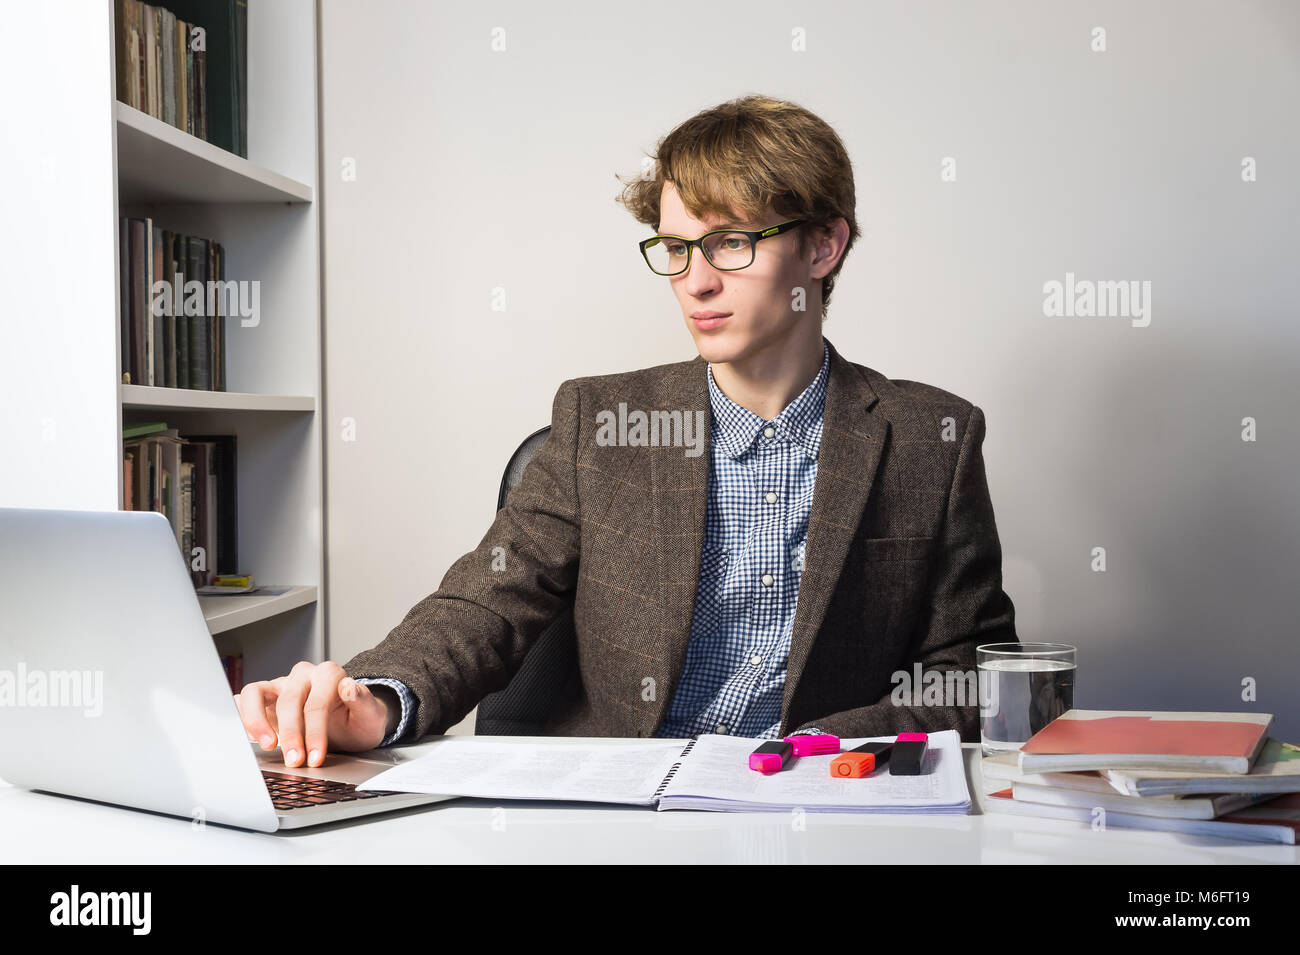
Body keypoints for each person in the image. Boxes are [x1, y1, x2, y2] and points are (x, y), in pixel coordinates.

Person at [234, 94, 1018, 769]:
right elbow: (484, 603)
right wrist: (373, 698)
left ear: (822, 246)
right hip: (617, 815)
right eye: (676, 248)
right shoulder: (601, 425)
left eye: (729, 242)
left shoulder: (931, 439)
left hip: (813, 807)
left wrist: (828, 745)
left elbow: (971, 673)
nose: (695, 280)